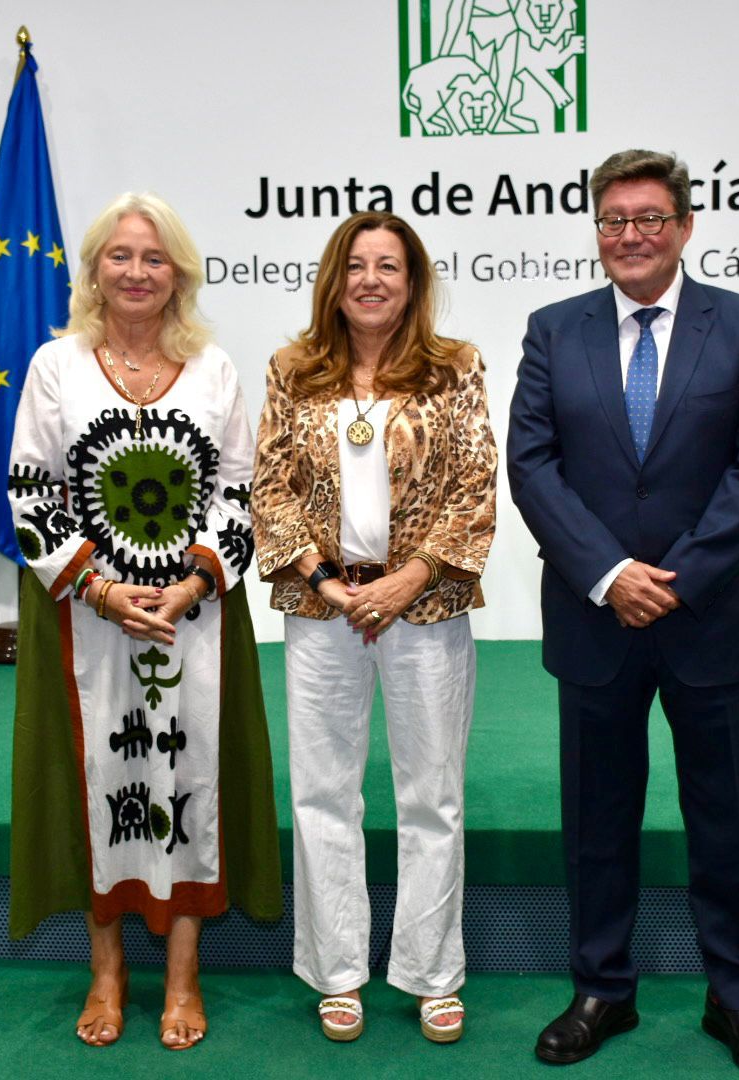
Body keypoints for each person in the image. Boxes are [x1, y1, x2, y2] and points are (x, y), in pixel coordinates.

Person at [507, 149, 739, 1077]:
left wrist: (674, 579)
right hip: (596, 619)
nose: (629, 236)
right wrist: (608, 574)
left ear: (685, 227)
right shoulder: (554, 330)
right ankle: (601, 989)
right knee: (597, 817)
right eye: (612, 220)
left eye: (648, 218)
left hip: (709, 618)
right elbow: (533, 464)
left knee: (725, 815)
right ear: (597, 231)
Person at [5, 191, 280, 1051]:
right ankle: (108, 969)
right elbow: (30, 489)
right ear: (94, 270)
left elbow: (241, 489)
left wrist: (194, 584)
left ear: (180, 276)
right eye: (120, 256)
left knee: (187, 778)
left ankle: (186, 975)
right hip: (87, 617)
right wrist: (101, 589)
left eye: (154, 258)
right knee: (105, 781)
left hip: (192, 615)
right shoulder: (56, 366)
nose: (136, 272)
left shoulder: (215, 371)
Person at [251, 211, 497, 1044]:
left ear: (414, 281)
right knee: (324, 793)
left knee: (432, 795)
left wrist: (408, 579)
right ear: (334, 277)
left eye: (389, 266)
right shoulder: (293, 370)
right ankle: (338, 972)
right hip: (325, 608)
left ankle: (432, 974)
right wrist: (325, 578)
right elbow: (271, 489)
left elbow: (474, 485)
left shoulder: (455, 369)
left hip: (424, 606)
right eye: (356, 264)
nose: (371, 279)